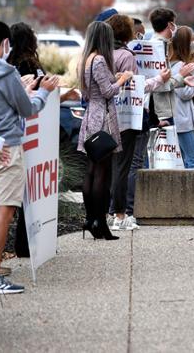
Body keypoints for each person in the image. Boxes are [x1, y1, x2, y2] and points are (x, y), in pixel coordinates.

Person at [0, 21, 59, 294]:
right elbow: (28, 109)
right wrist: (44, 91)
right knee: (4, 211)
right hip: (9, 147)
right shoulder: (7, 73)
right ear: (6, 43)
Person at [106, 14, 169, 230]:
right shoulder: (126, 56)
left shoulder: (101, 55)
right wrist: (160, 79)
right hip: (128, 116)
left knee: (112, 166)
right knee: (127, 166)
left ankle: (111, 210)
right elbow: (137, 87)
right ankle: (122, 214)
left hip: (106, 114)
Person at [78, 21, 133, 240]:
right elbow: (108, 91)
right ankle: (99, 222)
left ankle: (91, 219)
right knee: (102, 172)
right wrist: (122, 79)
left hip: (90, 116)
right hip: (102, 120)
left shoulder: (86, 59)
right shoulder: (99, 60)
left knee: (91, 171)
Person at [169, 26, 194, 168]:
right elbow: (184, 93)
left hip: (180, 118)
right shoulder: (180, 66)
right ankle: (192, 191)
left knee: (186, 160)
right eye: (191, 41)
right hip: (182, 120)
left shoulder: (173, 63)